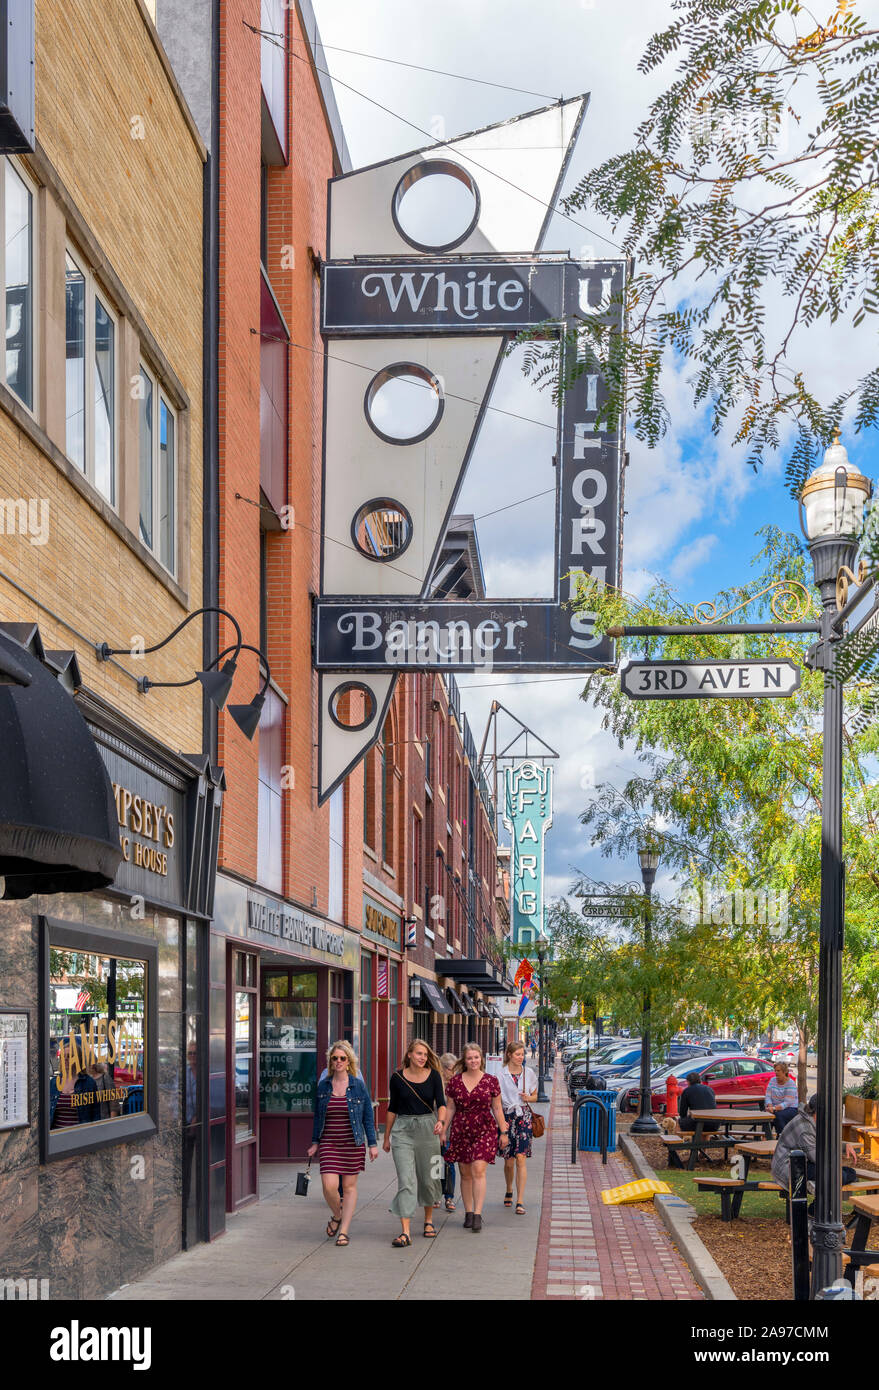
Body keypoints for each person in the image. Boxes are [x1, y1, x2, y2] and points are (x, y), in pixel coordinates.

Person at [307, 1040, 378, 1246]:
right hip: (329, 1142)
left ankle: (344, 1230)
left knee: (348, 1187)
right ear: (330, 1061)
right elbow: (318, 1117)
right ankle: (337, 1215)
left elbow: (367, 1117)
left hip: (352, 1142)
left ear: (349, 1061)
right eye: (335, 1058)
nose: (338, 1061)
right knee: (329, 1186)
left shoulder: (358, 1086)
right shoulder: (323, 1086)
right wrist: (314, 1142)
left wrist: (372, 1144)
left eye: (342, 1058)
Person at [384, 1039, 446, 1247]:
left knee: (430, 1179)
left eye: (425, 1055)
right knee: (406, 1180)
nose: (422, 1058)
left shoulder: (435, 1076)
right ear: (409, 1054)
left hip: (428, 1128)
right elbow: (392, 1107)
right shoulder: (397, 1077)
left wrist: (441, 1122)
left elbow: (442, 1104)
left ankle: (428, 1220)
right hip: (403, 1130)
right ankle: (405, 1232)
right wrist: (386, 1137)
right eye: (418, 1053)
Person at [442, 1041, 509, 1233]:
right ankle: (469, 1212)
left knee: (478, 1169)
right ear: (465, 1059)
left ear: (481, 1059)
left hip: (484, 1128)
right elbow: (451, 1107)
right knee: (465, 1172)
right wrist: (444, 1130)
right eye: (470, 1058)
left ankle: (478, 1214)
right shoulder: (455, 1081)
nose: (473, 1061)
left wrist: (503, 1131)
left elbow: (497, 1107)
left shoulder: (490, 1081)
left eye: (476, 1057)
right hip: (461, 1129)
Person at [771, 1095, 858, 1205]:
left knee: (847, 1173)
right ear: (818, 1111)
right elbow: (817, 1158)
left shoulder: (812, 1120)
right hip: (790, 1168)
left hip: (804, 1163)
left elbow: (824, 1141)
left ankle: (817, 1192)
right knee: (838, 1176)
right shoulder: (805, 1129)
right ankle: (814, 1210)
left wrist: (844, 1146)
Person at [499, 1040, 539, 1215]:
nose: (521, 1057)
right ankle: (509, 1188)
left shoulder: (528, 1073)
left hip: (523, 1117)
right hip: (507, 1117)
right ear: (509, 1055)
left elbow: (535, 1096)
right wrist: (500, 1123)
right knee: (509, 1161)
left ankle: (520, 1200)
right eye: (517, 1054)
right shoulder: (500, 1075)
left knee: (521, 1158)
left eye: (522, 1054)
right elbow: (496, 1102)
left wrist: (528, 1098)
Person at [439, 1052, 458, 1212]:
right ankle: (435, 1194)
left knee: (449, 1163)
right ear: (443, 1068)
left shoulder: (456, 1086)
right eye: (451, 1069)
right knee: (435, 1162)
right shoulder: (437, 1084)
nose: (453, 1073)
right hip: (435, 1128)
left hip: (451, 1131)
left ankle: (449, 1196)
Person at [765, 1060, 800, 1136]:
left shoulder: (791, 1083)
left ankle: (782, 1137)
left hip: (791, 1108)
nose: (776, 1072)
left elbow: (788, 1102)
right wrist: (769, 1105)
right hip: (774, 1107)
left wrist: (774, 1109)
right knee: (765, 1116)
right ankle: (766, 1137)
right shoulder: (772, 1080)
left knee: (778, 1116)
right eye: (775, 1070)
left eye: (778, 1071)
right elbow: (767, 1096)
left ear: (784, 1072)